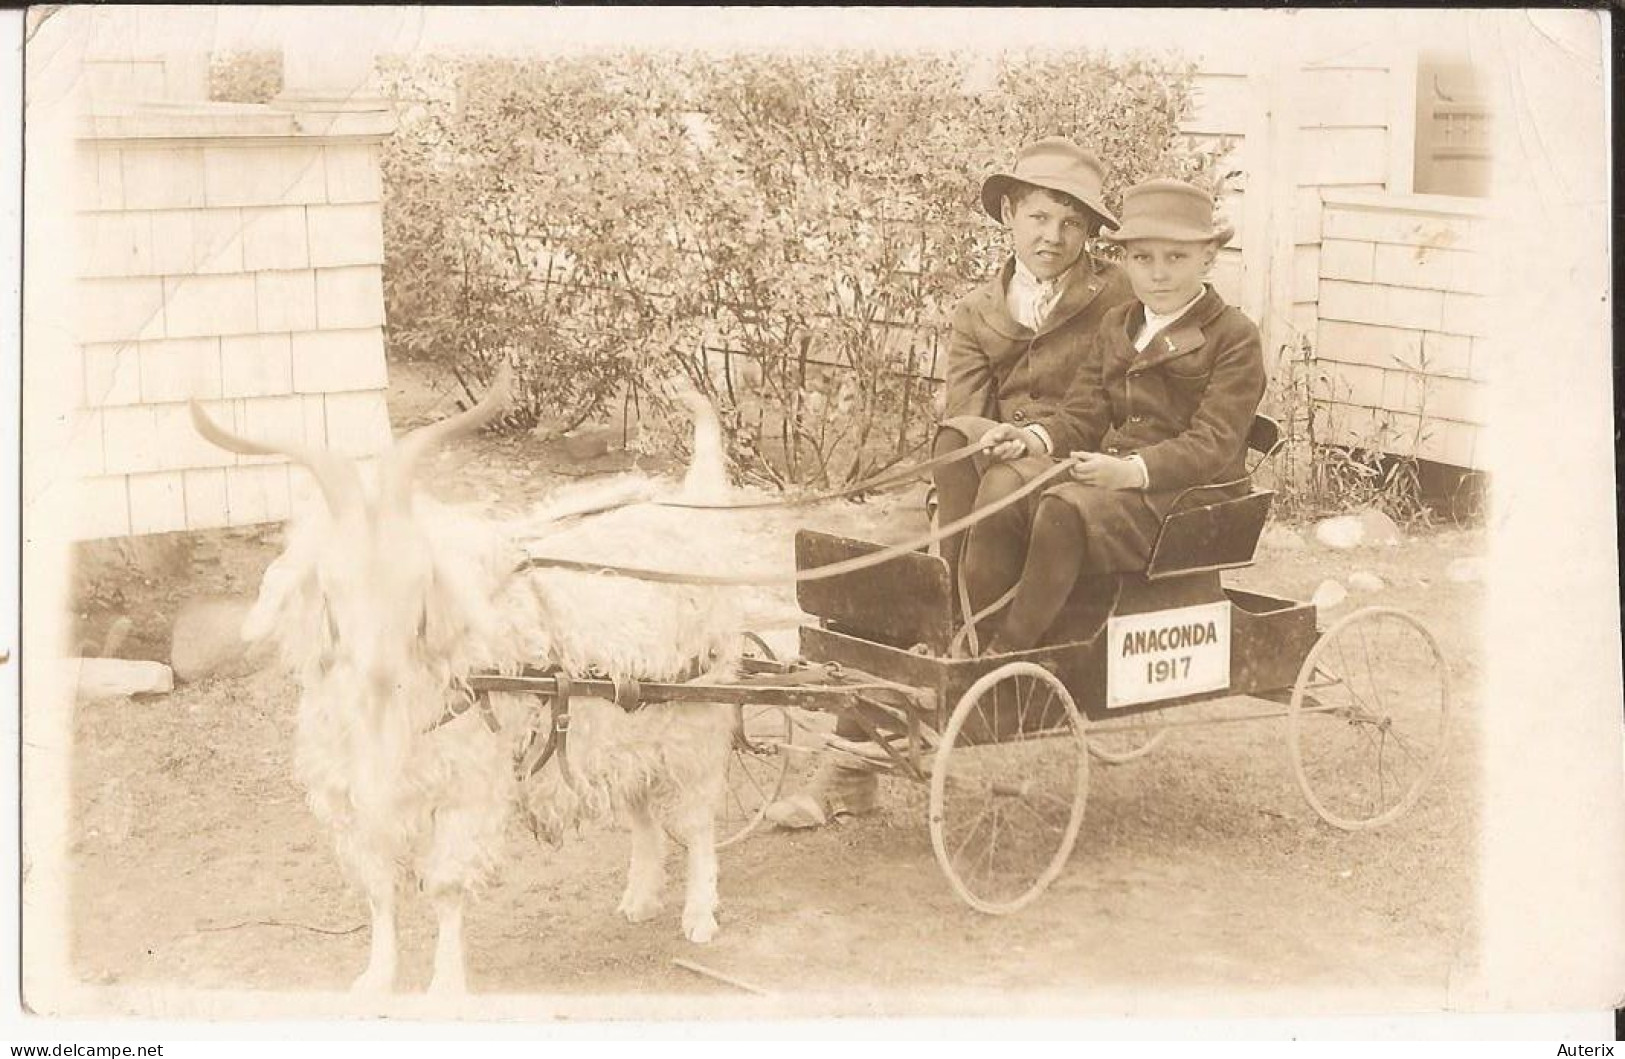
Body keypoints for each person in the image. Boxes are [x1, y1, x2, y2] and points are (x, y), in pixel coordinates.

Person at [764, 137, 1132, 829]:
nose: (1052, 236)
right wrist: (979, 438)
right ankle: (853, 767)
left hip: (1072, 471)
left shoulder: (1114, 296)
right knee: (895, 577)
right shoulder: (977, 309)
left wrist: (1037, 443)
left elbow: (1121, 402)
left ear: (1088, 234)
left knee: (948, 571)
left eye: (1070, 223)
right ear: (1008, 217)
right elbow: (962, 412)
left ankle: (866, 745)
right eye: (1038, 218)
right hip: (987, 474)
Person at [964, 177, 1267, 653]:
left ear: (1207, 258)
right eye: (1143, 258)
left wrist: (1129, 472)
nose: (1158, 274)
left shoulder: (1234, 336)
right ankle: (975, 638)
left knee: (1065, 507)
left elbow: (1214, 444)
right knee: (1005, 483)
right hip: (1119, 480)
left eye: (1176, 258)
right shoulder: (1119, 324)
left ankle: (1010, 653)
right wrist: (1032, 440)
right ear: (1126, 261)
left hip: (1186, 498)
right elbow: (1083, 412)